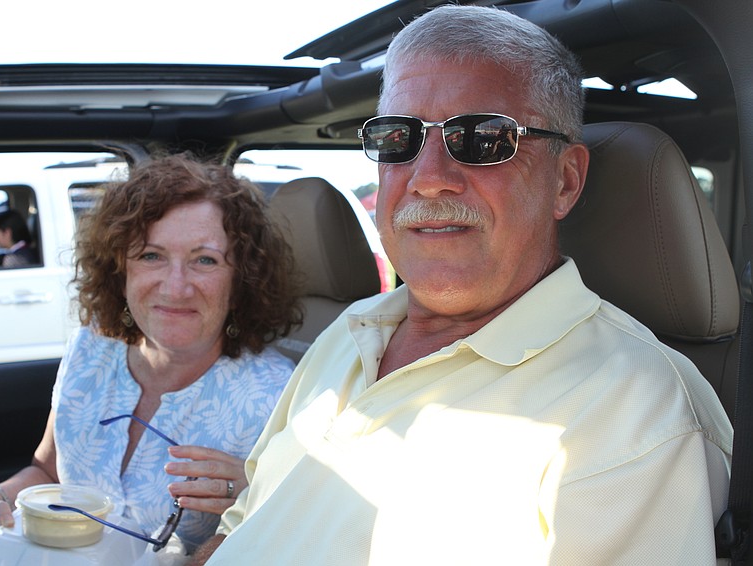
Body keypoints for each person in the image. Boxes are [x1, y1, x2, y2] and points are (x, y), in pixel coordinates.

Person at [193, 5, 732, 565]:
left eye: (481, 138)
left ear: (565, 181)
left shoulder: (638, 412)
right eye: (398, 137)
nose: (428, 179)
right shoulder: (350, 334)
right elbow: (244, 525)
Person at [0, 153, 303, 557]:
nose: (175, 287)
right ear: (120, 268)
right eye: (152, 255)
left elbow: (297, 534)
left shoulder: (279, 396)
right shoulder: (90, 347)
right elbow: (47, 469)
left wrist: (259, 495)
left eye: (205, 260)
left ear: (241, 280)